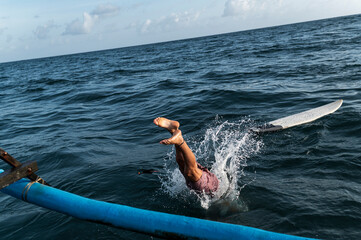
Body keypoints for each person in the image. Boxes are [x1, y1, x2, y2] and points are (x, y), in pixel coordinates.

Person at [154, 117, 219, 194]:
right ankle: (180, 141)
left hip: (211, 184)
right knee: (190, 172)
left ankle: (173, 130)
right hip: (212, 188)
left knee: (181, 162)